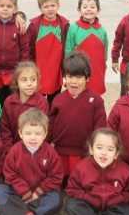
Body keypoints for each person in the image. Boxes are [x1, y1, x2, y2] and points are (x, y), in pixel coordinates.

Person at [0, 108, 64, 215]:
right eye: (28, 133)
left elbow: (56, 177)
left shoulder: (51, 153)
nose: (33, 138)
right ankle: (26, 212)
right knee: (0, 190)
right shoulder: (14, 151)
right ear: (20, 133)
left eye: (38, 133)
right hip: (19, 193)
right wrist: (25, 192)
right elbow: (10, 175)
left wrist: (37, 193)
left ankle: (18, 210)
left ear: (45, 134)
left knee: (56, 199)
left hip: (41, 194)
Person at [49, 51, 107, 179]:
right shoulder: (58, 100)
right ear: (64, 77)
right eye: (70, 77)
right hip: (61, 151)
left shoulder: (96, 100)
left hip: (84, 152)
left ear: (87, 78)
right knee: (60, 182)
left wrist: (96, 148)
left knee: (82, 181)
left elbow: (100, 128)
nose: (74, 82)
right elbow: (50, 126)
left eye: (79, 77)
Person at [65, 128, 129, 215]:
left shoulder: (125, 170)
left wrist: (120, 198)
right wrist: (86, 197)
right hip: (89, 205)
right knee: (71, 205)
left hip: (114, 206)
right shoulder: (82, 167)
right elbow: (72, 189)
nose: (104, 153)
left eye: (110, 149)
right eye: (99, 147)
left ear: (116, 154)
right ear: (91, 149)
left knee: (128, 211)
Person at [27, 0, 70, 103]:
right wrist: (29, 68)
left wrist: (65, 71)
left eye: (53, 5)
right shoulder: (34, 26)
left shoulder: (64, 25)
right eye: (46, 6)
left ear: (58, 5)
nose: (50, 9)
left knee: (54, 101)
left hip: (55, 72)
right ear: (40, 8)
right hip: (38, 71)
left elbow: (67, 50)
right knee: (37, 102)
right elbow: (28, 49)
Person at [65, 0, 109, 95]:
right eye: (85, 7)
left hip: (97, 70)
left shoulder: (102, 31)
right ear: (79, 10)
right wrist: (68, 69)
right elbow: (68, 50)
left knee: (94, 95)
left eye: (92, 7)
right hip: (78, 70)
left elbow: (105, 50)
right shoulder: (74, 29)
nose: (88, 9)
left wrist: (104, 64)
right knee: (78, 95)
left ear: (98, 10)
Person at [0, 61, 50, 150]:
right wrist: (11, 151)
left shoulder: (42, 102)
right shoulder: (9, 102)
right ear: (17, 82)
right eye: (24, 80)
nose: (29, 84)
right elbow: (5, 131)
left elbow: (43, 129)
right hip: (12, 150)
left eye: (33, 79)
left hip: (34, 149)